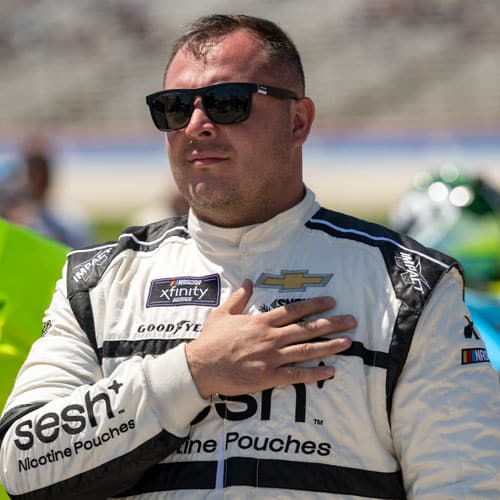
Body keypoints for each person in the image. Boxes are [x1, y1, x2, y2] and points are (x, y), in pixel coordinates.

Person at [0, 14, 498, 499]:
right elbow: (21, 464)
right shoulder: (97, 281)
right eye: (174, 107)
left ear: (298, 121)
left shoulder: (410, 285)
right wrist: (193, 372)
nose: (196, 125)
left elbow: (465, 485)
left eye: (226, 103)